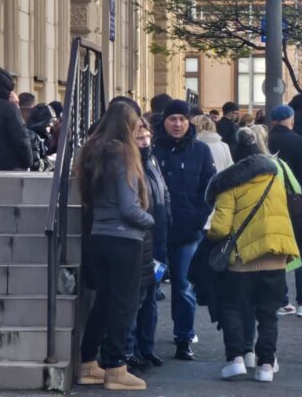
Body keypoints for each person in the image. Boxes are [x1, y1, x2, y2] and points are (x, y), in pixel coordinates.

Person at [75, 102, 154, 390]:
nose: (139, 130)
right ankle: (116, 367)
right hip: (124, 238)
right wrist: (150, 220)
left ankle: (87, 363)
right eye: (136, 124)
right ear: (127, 124)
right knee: (123, 304)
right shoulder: (124, 154)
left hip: (99, 235)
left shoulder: (92, 151)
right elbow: (129, 207)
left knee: (104, 301)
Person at [206, 148, 300, 383]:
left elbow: (220, 229)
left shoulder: (229, 185)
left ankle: (236, 359)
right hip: (276, 255)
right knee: (268, 313)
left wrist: (209, 236)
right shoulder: (274, 180)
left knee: (232, 308)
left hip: (243, 260)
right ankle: (266, 365)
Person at [153, 100, 217, 361]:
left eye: (182, 119)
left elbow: (210, 189)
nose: (177, 124)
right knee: (150, 285)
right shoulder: (153, 149)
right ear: (165, 121)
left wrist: (199, 217)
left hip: (187, 231)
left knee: (183, 286)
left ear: (189, 121)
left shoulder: (201, 150)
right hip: (155, 231)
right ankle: (143, 343)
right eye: (172, 119)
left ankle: (184, 338)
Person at [267, 105, 302, 319]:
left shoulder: (267, 140)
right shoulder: (298, 141)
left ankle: (282, 301)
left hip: (271, 203)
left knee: (278, 252)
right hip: (295, 203)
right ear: (290, 119)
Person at [126, 118, 170, 371]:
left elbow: (164, 193)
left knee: (151, 297)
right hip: (142, 239)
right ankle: (130, 350)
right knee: (138, 298)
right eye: (139, 138)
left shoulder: (152, 161)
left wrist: (167, 223)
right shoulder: (130, 164)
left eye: (146, 137)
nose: (144, 142)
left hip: (157, 240)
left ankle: (146, 347)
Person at [26, 103, 57, 172]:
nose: (51, 126)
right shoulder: (32, 137)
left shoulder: (41, 138)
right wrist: (52, 159)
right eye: (49, 123)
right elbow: (36, 166)